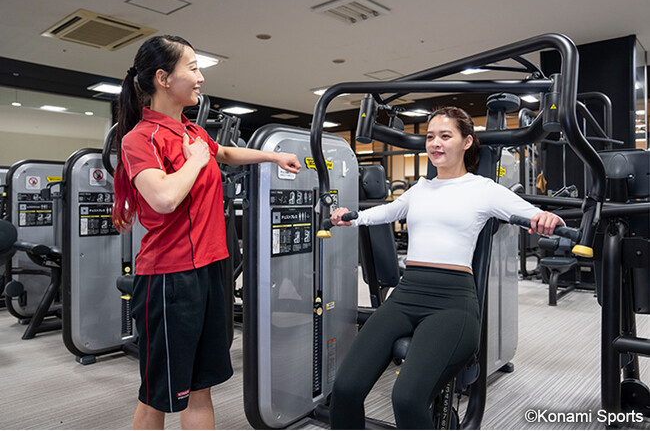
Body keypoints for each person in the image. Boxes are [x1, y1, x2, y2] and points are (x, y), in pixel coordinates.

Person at [328, 106, 563, 429]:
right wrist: (350, 217)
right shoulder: (420, 189)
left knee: (407, 398)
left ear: (466, 142)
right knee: (345, 389)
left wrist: (548, 218)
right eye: (430, 137)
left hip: (452, 302)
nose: (435, 143)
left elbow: (533, 214)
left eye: (445, 136)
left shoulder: (483, 189)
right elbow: (386, 211)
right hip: (406, 294)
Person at [111, 35, 301, 430]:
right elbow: (164, 197)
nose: (200, 78)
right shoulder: (139, 139)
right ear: (163, 78)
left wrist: (272, 155)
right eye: (193, 68)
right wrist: (195, 163)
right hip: (169, 277)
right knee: (158, 396)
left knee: (201, 388)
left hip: (211, 269)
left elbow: (226, 153)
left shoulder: (193, 133)